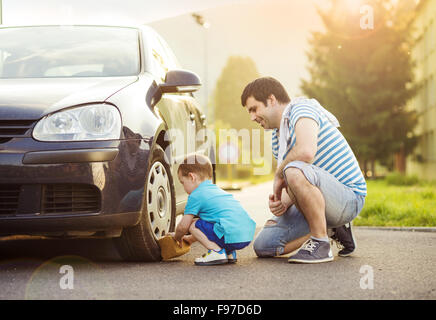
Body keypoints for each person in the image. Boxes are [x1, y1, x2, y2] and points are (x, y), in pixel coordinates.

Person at [240, 77, 366, 263]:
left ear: (271, 99)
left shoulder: (302, 109)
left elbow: (306, 152)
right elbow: (298, 184)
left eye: (254, 109)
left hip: (348, 198)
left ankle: (321, 244)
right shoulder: (276, 138)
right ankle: (331, 229)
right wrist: (280, 204)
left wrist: (278, 174)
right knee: (264, 246)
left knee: (291, 168)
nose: (252, 117)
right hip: (319, 198)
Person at [171, 154, 256, 266]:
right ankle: (230, 253)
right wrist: (191, 239)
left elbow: (183, 226)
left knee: (193, 224)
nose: (183, 187)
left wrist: (177, 237)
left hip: (230, 234)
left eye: (183, 182)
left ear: (192, 177)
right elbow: (208, 230)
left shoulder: (196, 195)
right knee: (213, 224)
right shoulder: (216, 190)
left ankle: (217, 252)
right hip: (245, 235)